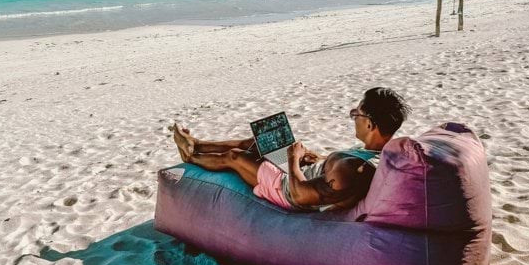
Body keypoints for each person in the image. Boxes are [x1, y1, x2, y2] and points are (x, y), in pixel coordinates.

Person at [172, 87, 410, 212]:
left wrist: (293, 159)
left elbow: (299, 196)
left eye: (356, 114)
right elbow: (334, 169)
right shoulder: (376, 152)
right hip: (304, 172)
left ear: (370, 124)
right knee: (260, 141)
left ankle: (191, 155)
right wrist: (314, 158)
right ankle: (200, 143)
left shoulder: (352, 171)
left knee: (235, 157)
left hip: (286, 188)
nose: (353, 117)